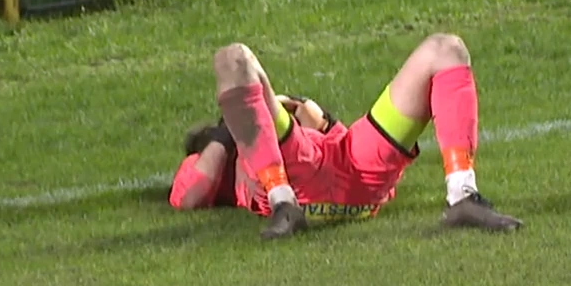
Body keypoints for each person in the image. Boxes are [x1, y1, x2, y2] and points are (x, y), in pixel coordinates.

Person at [168, 33, 523, 239]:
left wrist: (306, 109)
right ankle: (283, 204)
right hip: (293, 179)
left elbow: (332, 136)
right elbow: (190, 196)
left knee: (447, 48)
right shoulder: (226, 159)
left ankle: (462, 195)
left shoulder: (315, 137)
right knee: (232, 58)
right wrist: (224, 134)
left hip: (355, 164)